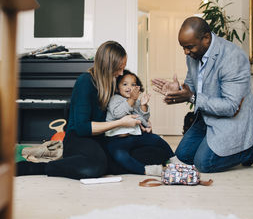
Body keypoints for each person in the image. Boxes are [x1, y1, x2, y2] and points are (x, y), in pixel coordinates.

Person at [17, 40, 174, 179]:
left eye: (123, 68)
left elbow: (125, 110)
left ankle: (104, 164)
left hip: (105, 139)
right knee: (95, 166)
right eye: (119, 68)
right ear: (107, 66)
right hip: (79, 139)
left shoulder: (114, 82)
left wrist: (142, 123)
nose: (121, 73)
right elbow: (83, 128)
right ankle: (40, 167)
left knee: (155, 152)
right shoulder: (85, 82)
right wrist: (120, 123)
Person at [151, 16, 253, 173]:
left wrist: (191, 97)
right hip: (206, 116)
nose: (186, 52)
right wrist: (178, 88)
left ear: (206, 38)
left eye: (189, 47)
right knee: (183, 156)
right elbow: (191, 86)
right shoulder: (193, 56)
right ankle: (216, 146)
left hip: (231, 119)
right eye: (183, 47)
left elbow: (230, 106)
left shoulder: (232, 56)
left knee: (204, 163)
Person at [105, 69, 174, 175]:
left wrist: (143, 105)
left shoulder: (136, 102)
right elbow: (118, 114)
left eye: (133, 85)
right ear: (117, 88)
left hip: (135, 136)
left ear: (137, 88)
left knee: (157, 140)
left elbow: (143, 118)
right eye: (125, 84)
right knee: (120, 155)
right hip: (117, 139)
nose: (129, 87)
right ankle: (146, 170)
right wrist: (132, 99)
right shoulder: (115, 99)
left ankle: (173, 160)